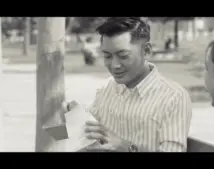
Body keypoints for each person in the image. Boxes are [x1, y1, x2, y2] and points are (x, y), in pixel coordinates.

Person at [73, 17, 192, 152]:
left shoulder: (173, 98)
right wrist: (68, 121)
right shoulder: (106, 89)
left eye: (123, 56)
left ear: (146, 51)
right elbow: (82, 133)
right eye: (107, 56)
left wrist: (125, 147)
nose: (114, 65)